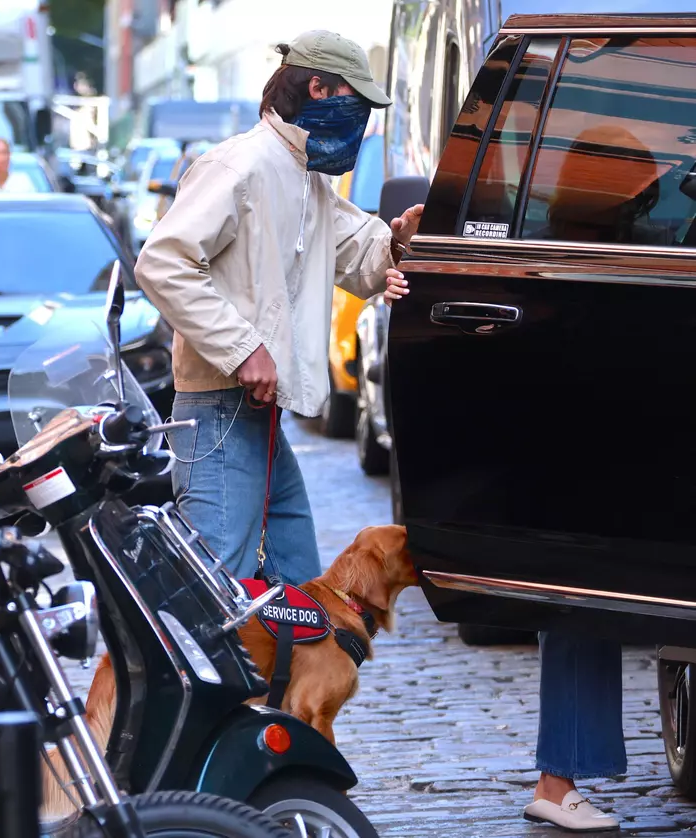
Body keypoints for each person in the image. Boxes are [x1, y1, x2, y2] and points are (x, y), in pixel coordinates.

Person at [135, 30, 424, 586]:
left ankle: (287, 674)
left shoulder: (303, 175)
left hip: (253, 414)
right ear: (316, 87)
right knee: (222, 602)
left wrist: (397, 242)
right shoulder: (239, 166)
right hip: (218, 413)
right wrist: (244, 349)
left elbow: (354, 251)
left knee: (293, 593)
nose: (359, 119)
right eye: (354, 101)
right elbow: (163, 262)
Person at [386, 262, 624, 832]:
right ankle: (557, 777)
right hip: (579, 400)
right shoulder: (578, 232)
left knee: (588, 578)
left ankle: (559, 776)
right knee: (579, 575)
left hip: (598, 392)